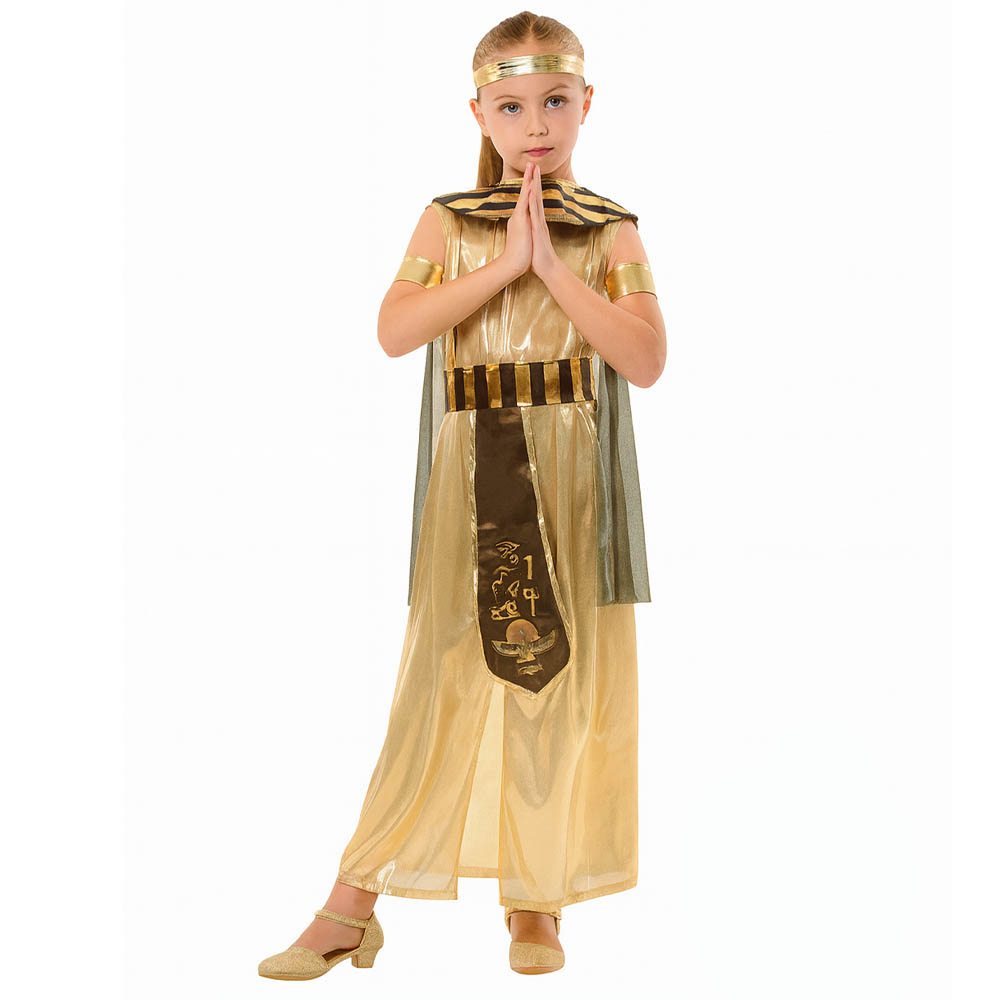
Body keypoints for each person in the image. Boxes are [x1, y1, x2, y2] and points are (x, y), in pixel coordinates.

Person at [258, 10, 666, 979]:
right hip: (473, 480)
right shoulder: (449, 220)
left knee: (556, 688)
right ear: (479, 113)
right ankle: (352, 903)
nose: (537, 124)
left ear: (587, 104)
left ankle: (536, 900)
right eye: (512, 106)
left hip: (571, 487)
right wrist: (507, 263)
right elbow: (396, 331)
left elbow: (644, 359)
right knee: (438, 681)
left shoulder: (610, 229)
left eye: (555, 101)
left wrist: (552, 267)